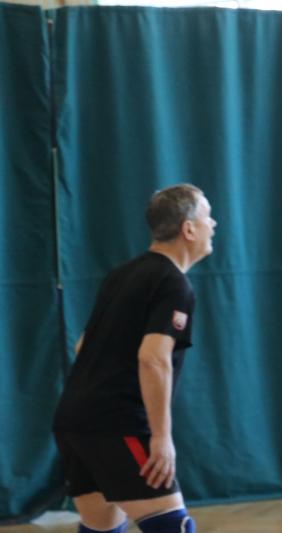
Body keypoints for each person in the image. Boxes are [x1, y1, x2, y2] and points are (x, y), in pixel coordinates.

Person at [52, 184, 216, 533]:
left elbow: (83, 347)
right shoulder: (173, 283)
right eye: (208, 216)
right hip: (117, 423)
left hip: (73, 419)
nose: (213, 224)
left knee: (102, 527)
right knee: (172, 526)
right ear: (188, 229)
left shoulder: (121, 275)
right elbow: (153, 359)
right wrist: (160, 436)